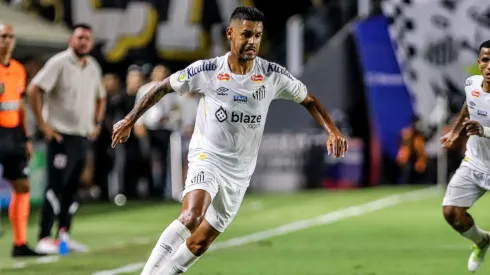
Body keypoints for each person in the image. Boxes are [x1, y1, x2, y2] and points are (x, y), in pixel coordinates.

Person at [111, 7, 348, 275]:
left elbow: (309, 100)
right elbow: (163, 86)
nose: (252, 41)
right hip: (207, 157)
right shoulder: (208, 70)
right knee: (191, 217)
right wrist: (130, 119)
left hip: (239, 173)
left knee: (200, 242)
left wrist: (332, 130)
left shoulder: (272, 75)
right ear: (230, 34)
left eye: (257, 35)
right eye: (246, 34)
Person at [27, 23, 106, 254]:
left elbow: (101, 97)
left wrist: (98, 123)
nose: (83, 42)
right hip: (61, 137)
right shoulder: (59, 62)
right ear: (71, 40)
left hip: (81, 137)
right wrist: (43, 125)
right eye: (80, 37)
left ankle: (64, 236)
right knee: (55, 186)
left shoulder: (92, 66)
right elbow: (34, 89)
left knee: (72, 188)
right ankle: (43, 236)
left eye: (87, 38)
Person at [441, 40, 490, 272]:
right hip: (476, 162)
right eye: (486, 60)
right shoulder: (472, 84)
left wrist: (484, 131)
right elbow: (469, 105)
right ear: (479, 63)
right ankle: (481, 240)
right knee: (451, 212)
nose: (489, 66)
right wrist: (454, 131)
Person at [0, 23, 44, 257]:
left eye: (10, 36)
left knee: (22, 185)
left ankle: (20, 244)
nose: (6, 40)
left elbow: (19, 106)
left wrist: (25, 137)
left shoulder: (17, 69)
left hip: (12, 134)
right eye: (2, 36)